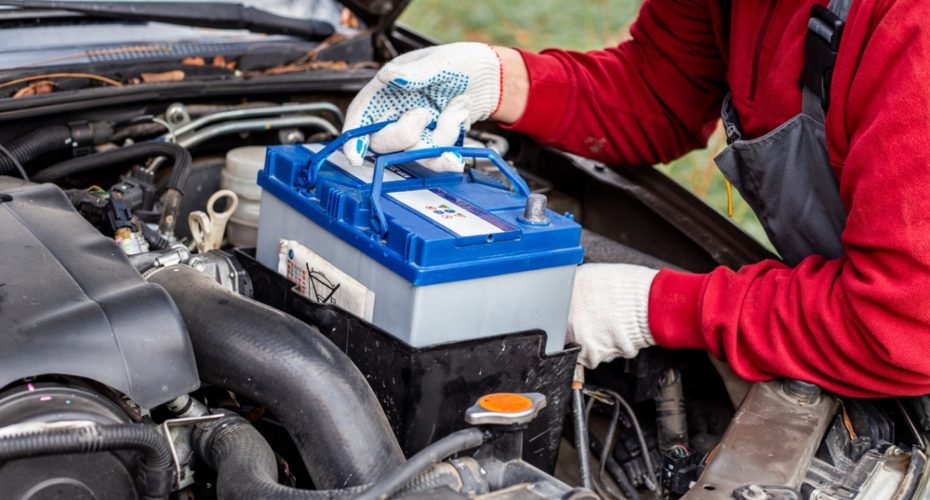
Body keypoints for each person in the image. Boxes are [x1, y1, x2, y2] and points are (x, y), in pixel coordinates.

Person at [341, 0, 930, 398]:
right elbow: (659, 91)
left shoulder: (910, 25)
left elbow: (904, 326)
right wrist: (495, 79)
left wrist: (650, 307)